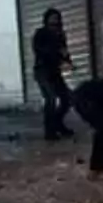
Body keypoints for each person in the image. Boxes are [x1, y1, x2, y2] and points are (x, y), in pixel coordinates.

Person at [31, 9, 75, 141]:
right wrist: (53, 52)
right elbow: (38, 49)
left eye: (57, 18)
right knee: (50, 99)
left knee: (67, 99)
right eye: (52, 18)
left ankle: (58, 124)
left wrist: (68, 61)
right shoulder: (41, 33)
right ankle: (49, 131)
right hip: (42, 71)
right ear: (47, 19)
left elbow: (64, 50)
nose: (55, 20)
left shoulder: (60, 34)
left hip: (55, 71)